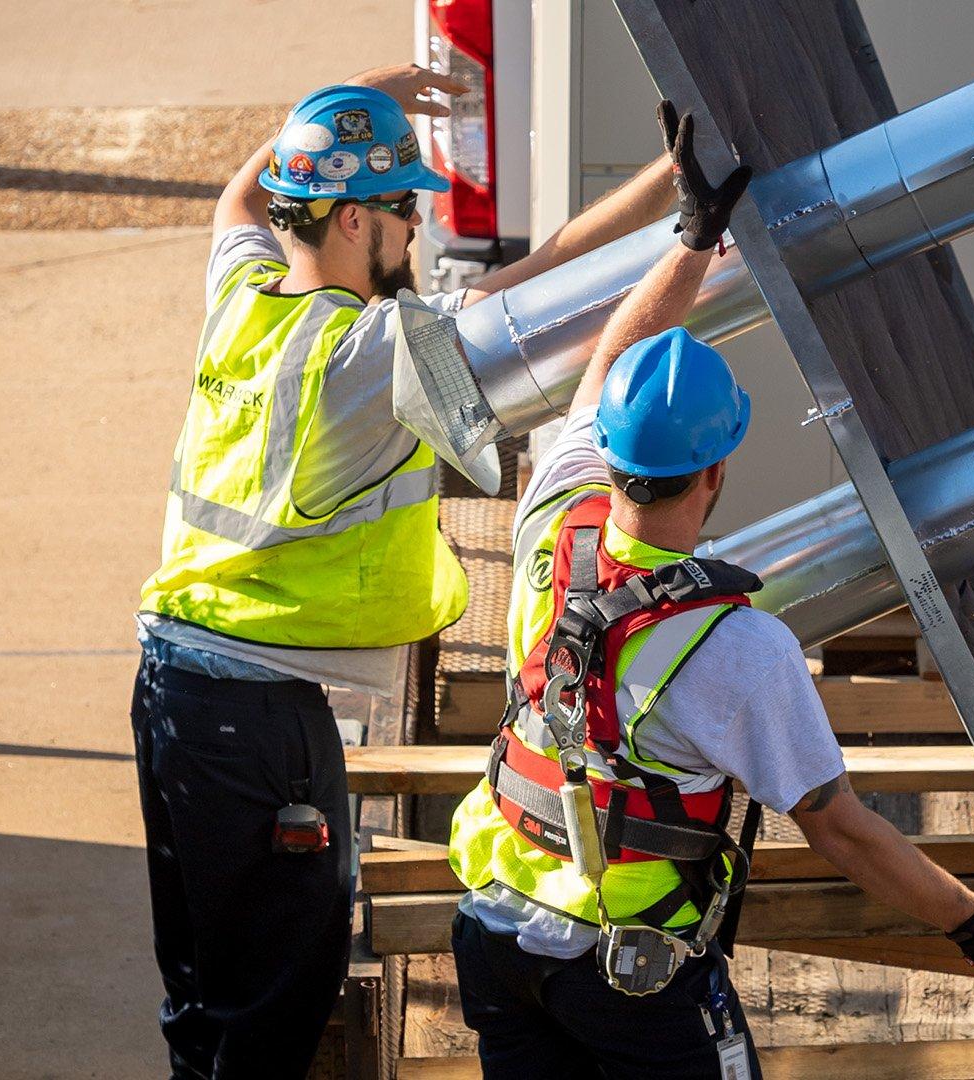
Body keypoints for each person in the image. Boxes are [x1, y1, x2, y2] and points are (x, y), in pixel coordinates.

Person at [445, 104, 974, 1080]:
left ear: (612, 453)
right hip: (624, 967)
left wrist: (691, 239)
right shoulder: (737, 651)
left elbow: (610, 364)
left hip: (496, 928)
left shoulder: (551, 521)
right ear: (716, 474)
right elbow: (842, 829)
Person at [131, 64, 681, 1077]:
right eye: (403, 213)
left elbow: (238, 199)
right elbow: (547, 283)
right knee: (272, 1013)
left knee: (207, 998)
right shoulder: (377, 353)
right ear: (352, 220)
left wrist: (333, 103)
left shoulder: (242, 300)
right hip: (255, 725)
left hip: (175, 696)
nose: (417, 233)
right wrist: (678, 207)